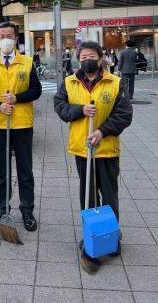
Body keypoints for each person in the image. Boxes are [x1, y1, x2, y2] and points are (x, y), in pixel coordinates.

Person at [54, 41, 132, 274]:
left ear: (100, 59)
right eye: (83, 56)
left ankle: (111, 239)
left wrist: (102, 131)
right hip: (82, 148)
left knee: (109, 196)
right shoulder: (69, 82)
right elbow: (60, 107)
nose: (87, 59)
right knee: (88, 197)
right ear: (79, 60)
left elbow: (124, 114)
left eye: (92, 55)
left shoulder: (115, 82)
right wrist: (79, 111)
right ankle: (91, 237)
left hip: (106, 149)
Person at [0, 22, 42, 232]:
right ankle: (3, 210)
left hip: (22, 124)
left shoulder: (27, 62)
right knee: (2, 172)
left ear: (16, 39)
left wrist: (17, 98)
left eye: (10, 36)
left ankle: (27, 211)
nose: (6, 39)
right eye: (2, 36)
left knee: (25, 171)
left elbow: (36, 90)